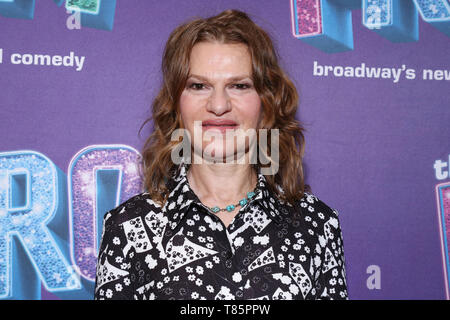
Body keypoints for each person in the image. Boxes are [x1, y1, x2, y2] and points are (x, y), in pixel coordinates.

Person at [94, 9, 348, 300]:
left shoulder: (315, 224)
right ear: (177, 103)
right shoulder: (127, 226)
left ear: (267, 101)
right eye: (198, 86)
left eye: (239, 86)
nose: (218, 105)